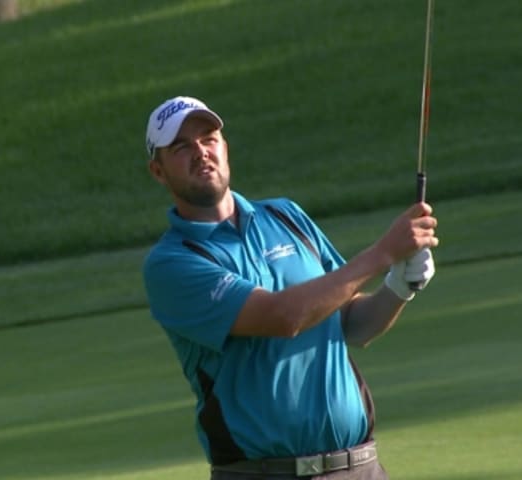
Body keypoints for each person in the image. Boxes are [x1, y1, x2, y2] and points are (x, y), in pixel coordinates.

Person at [142, 96, 439, 480]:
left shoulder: (284, 215)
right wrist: (383, 254)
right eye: (181, 146)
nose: (200, 152)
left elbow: (352, 322)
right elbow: (284, 316)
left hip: (360, 467)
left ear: (225, 147)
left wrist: (399, 285)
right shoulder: (172, 263)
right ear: (158, 171)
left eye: (209, 138)